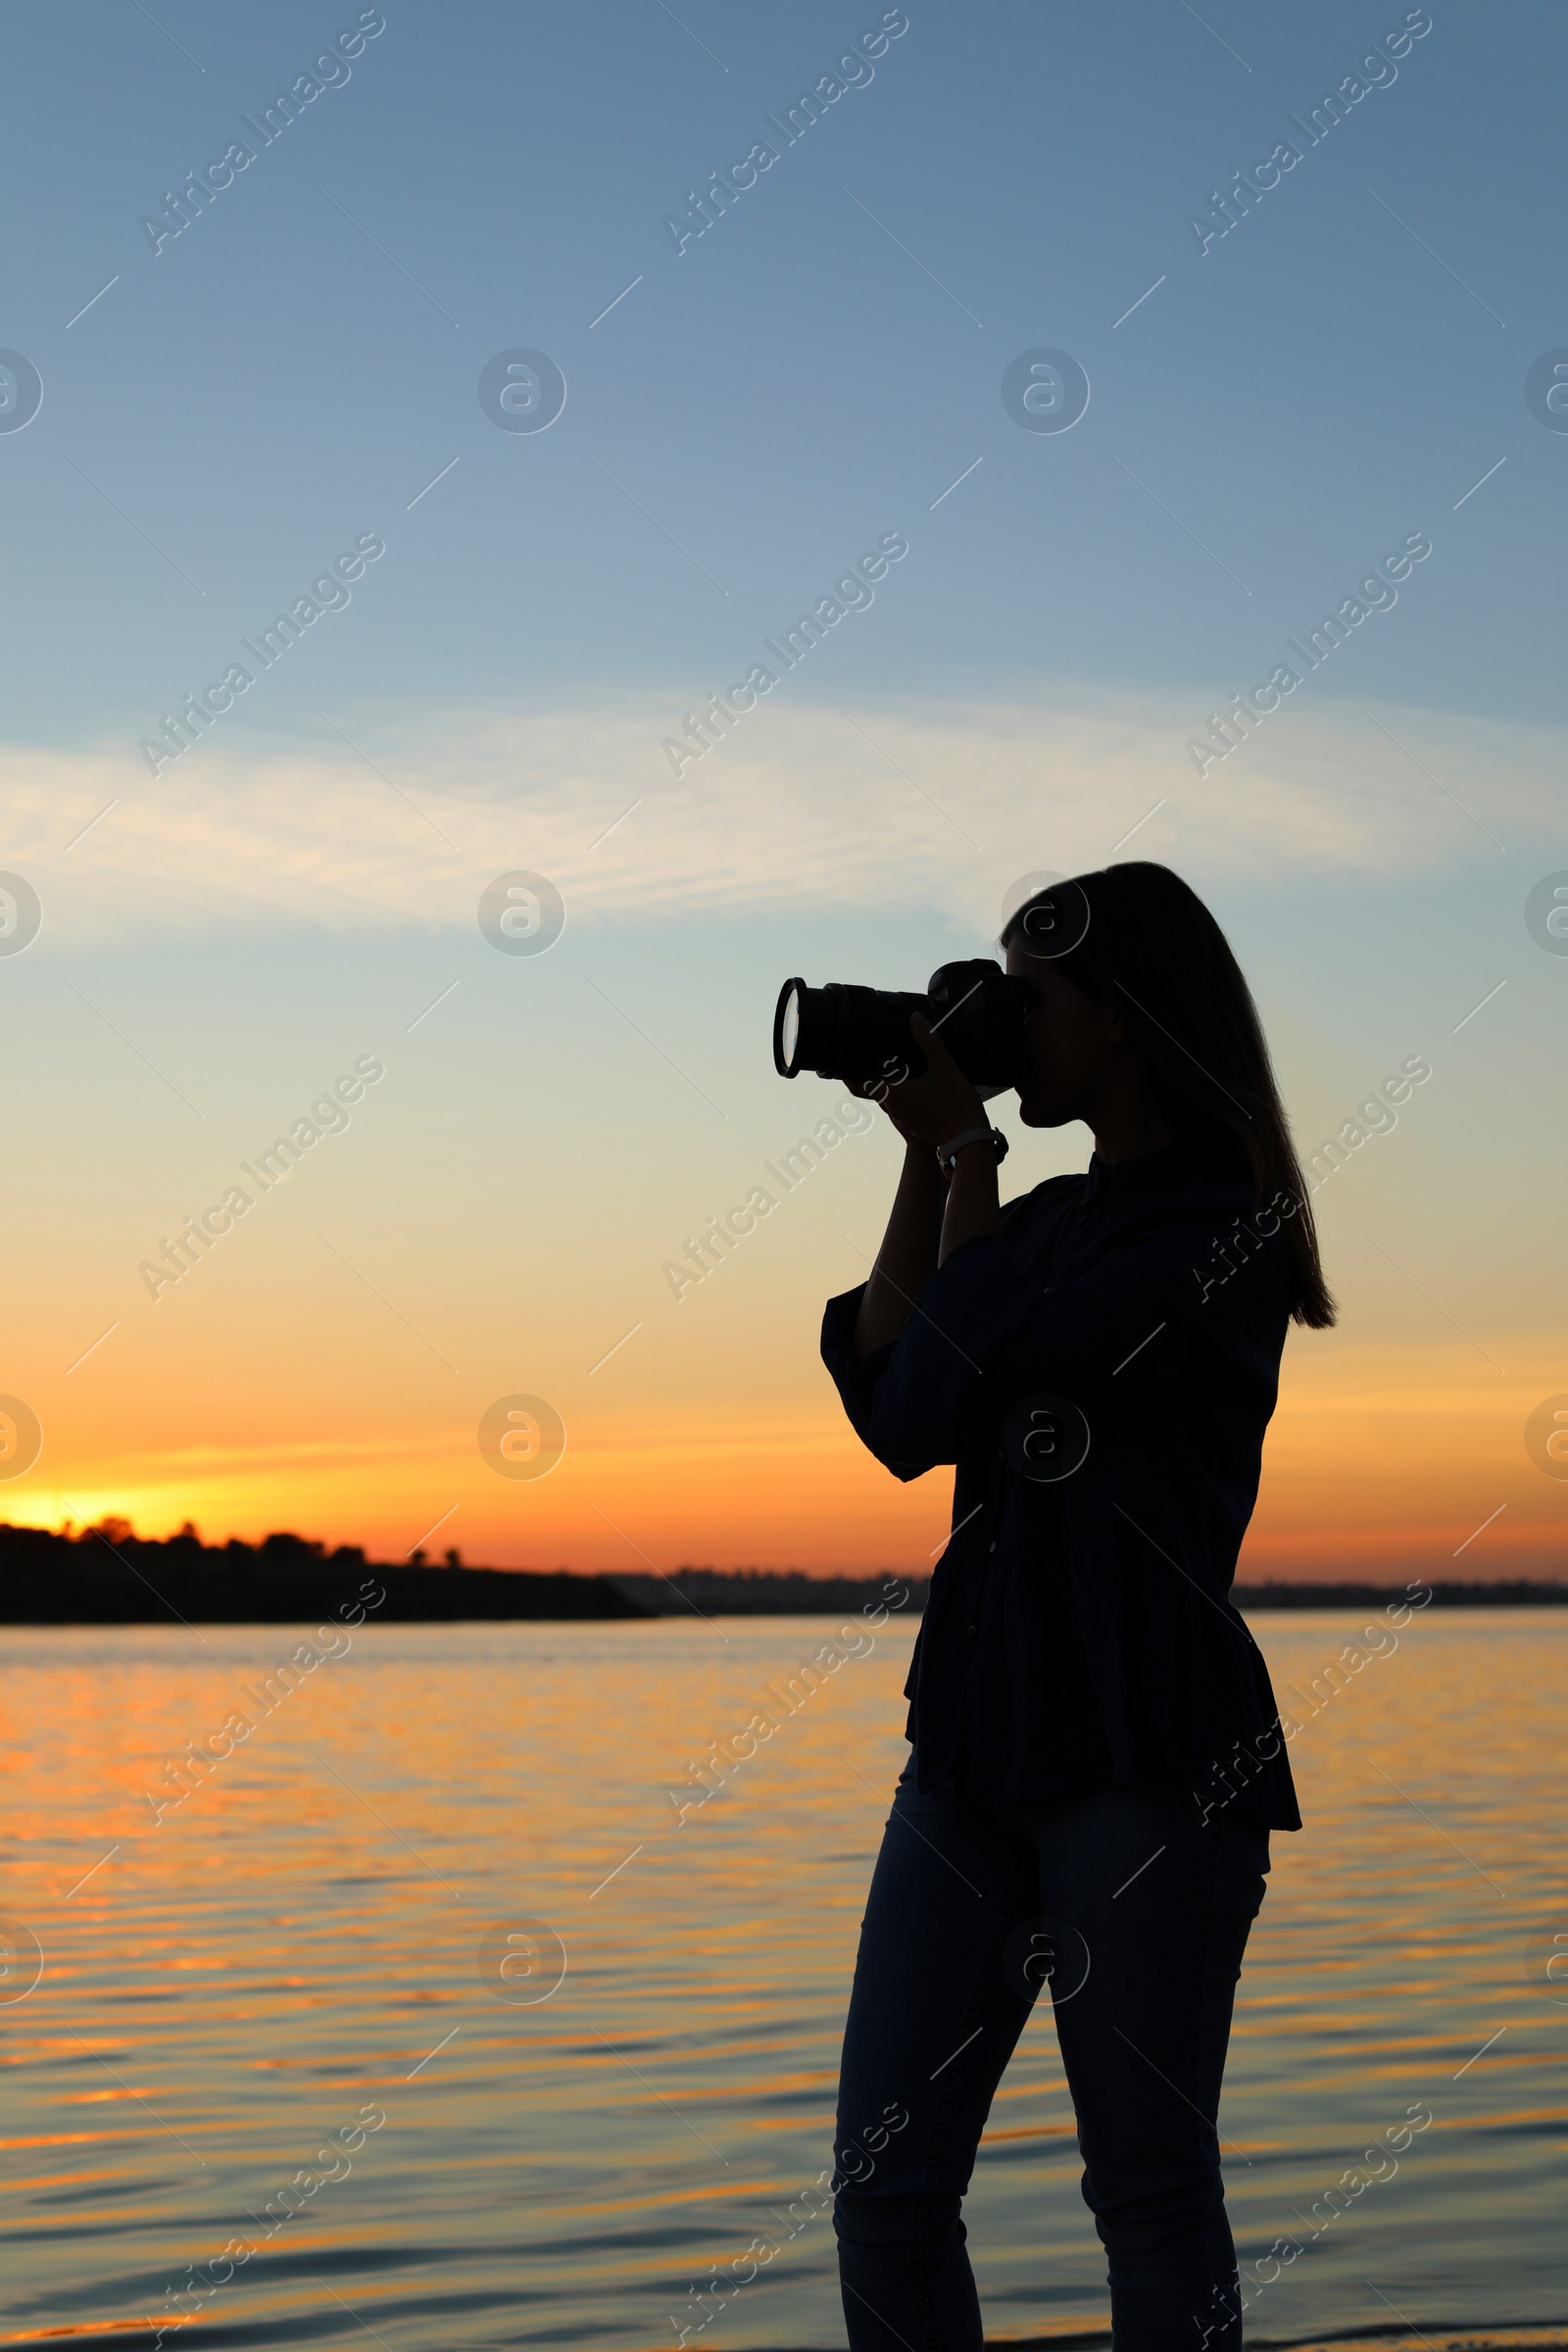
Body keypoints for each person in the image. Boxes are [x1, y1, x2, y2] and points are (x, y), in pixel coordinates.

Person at [819, 861, 1333, 2352]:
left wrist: (966, 1157)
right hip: (973, 1747)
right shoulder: (1034, 1218)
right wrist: (931, 1158)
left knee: (1146, 2186)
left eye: (1025, 1000)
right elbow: (902, 1405)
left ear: (1122, 1020)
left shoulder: (1215, 1229)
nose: (998, 1023)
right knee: (885, 2186)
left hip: (1148, 1748)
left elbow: (1016, 1373)